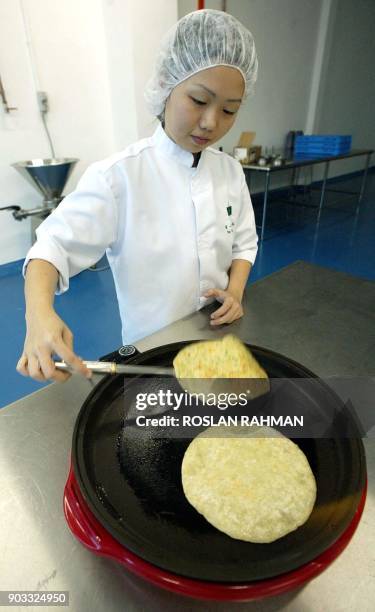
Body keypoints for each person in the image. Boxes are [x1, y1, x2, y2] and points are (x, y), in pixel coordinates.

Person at [16, 9, 259, 383]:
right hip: (150, 356)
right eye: (198, 100)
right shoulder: (119, 178)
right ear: (166, 84)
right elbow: (51, 249)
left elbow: (244, 243)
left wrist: (236, 291)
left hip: (218, 339)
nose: (212, 122)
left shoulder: (229, 172)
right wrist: (38, 315)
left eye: (229, 110)